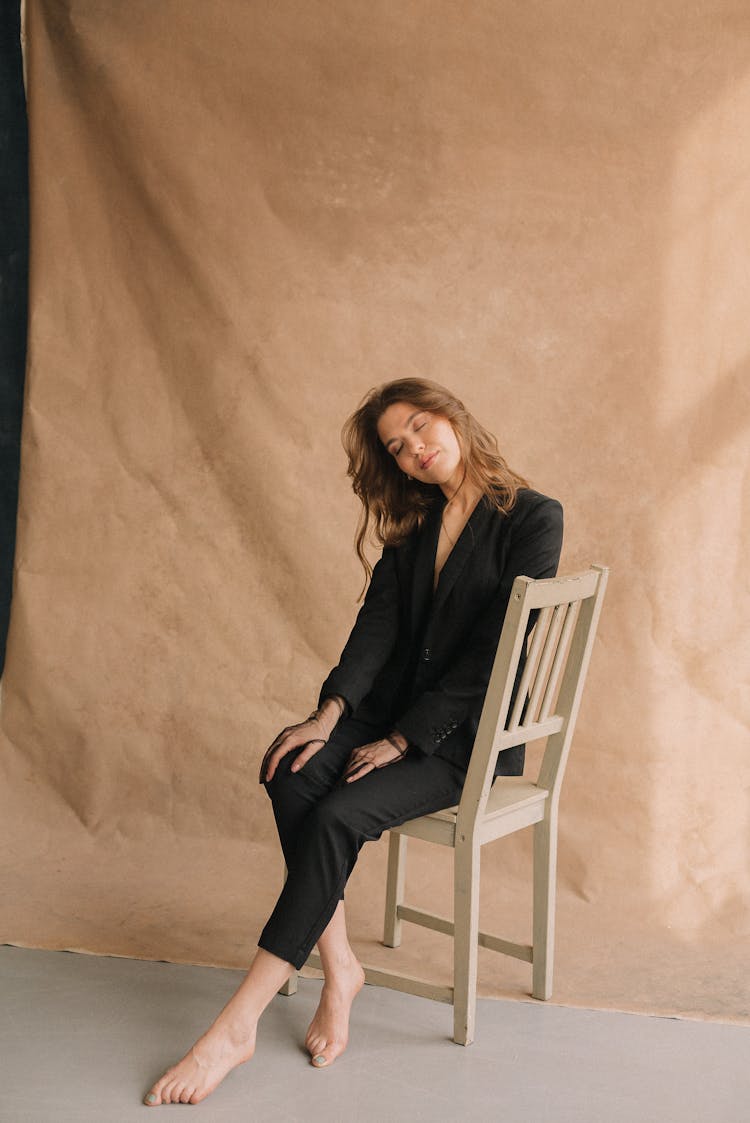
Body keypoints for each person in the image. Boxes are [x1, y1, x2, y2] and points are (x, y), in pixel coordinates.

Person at [144, 378, 563, 1106]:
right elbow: (374, 630)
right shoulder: (416, 523)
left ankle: (235, 1026)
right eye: (398, 447)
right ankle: (341, 966)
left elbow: (501, 650)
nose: (415, 449)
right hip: (389, 718)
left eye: (421, 427)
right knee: (292, 768)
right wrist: (329, 714)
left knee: (338, 813)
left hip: (462, 741)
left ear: (454, 417)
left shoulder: (532, 517)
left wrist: (406, 737)